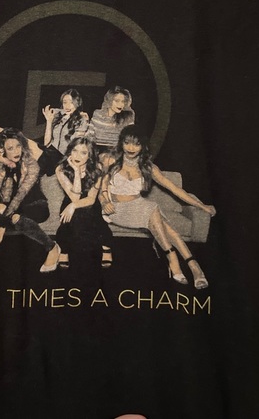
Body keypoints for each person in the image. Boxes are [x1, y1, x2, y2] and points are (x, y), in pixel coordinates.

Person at [100, 125, 216, 289]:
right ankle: (173, 258)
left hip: (140, 206)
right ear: (121, 143)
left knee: (166, 226)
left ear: (143, 146)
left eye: (137, 144)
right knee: (153, 209)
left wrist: (202, 206)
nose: (131, 148)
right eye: (127, 142)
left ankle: (193, 266)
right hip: (117, 210)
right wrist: (105, 202)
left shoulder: (148, 168)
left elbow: (175, 189)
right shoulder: (110, 161)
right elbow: (101, 189)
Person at [0, 128, 60, 274]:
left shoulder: (32, 164)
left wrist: (2, 224)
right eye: (10, 148)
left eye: (18, 146)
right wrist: (7, 166)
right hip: (13, 208)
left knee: (15, 217)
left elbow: (21, 195)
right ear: (2, 151)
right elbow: (5, 197)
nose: (16, 151)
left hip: (37, 206)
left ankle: (52, 248)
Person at [0, 88, 88, 175]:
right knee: (13, 138)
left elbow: (78, 147)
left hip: (59, 160)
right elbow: (47, 143)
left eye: (71, 102)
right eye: (65, 102)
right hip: (48, 153)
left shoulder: (82, 120)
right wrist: (49, 121)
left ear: (77, 103)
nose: (67, 106)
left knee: (15, 137)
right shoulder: (60, 119)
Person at [54, 137, 114, 269]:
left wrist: (73, 206)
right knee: (70, 220)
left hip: (90, 204)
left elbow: (91, 199)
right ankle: (64, 249)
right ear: (70, 152)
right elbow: (75, 198)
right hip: (70, 201)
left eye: (83, 152)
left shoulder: (97, 168)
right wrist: (76, 171)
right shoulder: (61, 169)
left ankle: (106, 246)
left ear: (90, 155)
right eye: (74, 151)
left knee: (91, 218)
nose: (77, 156)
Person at [85, 86, 135, 154]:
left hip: (117, 153)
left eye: (123, 101)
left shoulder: (128, 116)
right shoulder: (97, 114)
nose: (120, 104)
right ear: (109, 101)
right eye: (117, 101)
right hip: (97, 152)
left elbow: (129, 139)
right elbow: (90, 136)